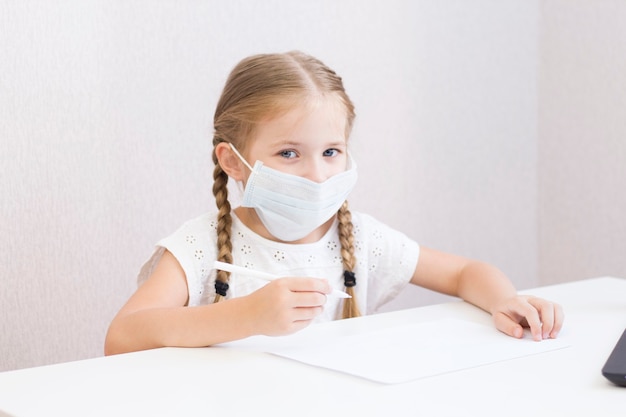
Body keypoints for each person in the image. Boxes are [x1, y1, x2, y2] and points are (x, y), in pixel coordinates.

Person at [104, 51, 564, 355]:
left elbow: (465, 273)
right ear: (234, 161)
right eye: (288, 154)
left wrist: (506, 300)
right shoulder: (200, 246)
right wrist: (244, 317)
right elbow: (122, 337)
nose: (317, 174)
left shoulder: (360, 239)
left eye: (331, 152)